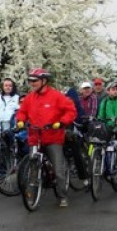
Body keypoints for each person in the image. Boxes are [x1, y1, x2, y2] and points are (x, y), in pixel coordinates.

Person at [15, 68, 77, 208]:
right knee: (33, 166)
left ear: (44, 81)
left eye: (35, 80)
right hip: (35, 137)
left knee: (58, 169)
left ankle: (62, 196)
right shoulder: (30, 97)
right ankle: (31, 194)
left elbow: (71, 110)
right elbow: (22, 111)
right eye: (30, 81)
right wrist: (20, 120)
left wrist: (61, 122)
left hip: (52, 137)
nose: (32, 83)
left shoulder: (56, 96)